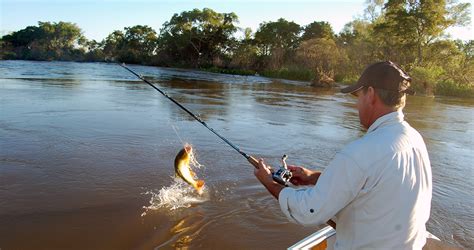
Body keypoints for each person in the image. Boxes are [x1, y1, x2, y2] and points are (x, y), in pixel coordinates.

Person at [254, 61, 432, 249]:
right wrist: (313, 177)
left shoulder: (361, 152)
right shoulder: (414, 138)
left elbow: (309, 210)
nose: (357, 104)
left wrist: (269, 182)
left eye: (358, 95)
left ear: (370, 94)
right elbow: (374, 185)